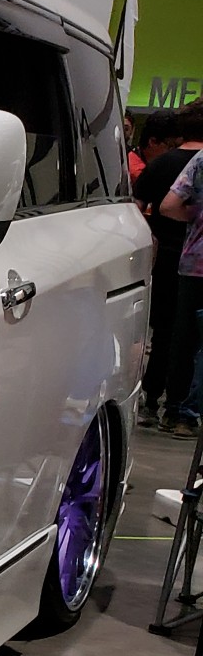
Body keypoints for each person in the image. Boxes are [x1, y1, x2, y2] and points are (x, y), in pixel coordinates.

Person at [133, 108, 203, 427]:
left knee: (167, 332)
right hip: (189, 255)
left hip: (173, 256)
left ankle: (153, 400)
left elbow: (146, 208)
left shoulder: (163, 163)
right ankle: (184, 408)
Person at [158, 137, 203, 439]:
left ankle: (175, 411)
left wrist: (195, 215)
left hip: (195, 263)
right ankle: (190, 411)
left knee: (185, 339)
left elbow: (168, 206)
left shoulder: (201, 160)